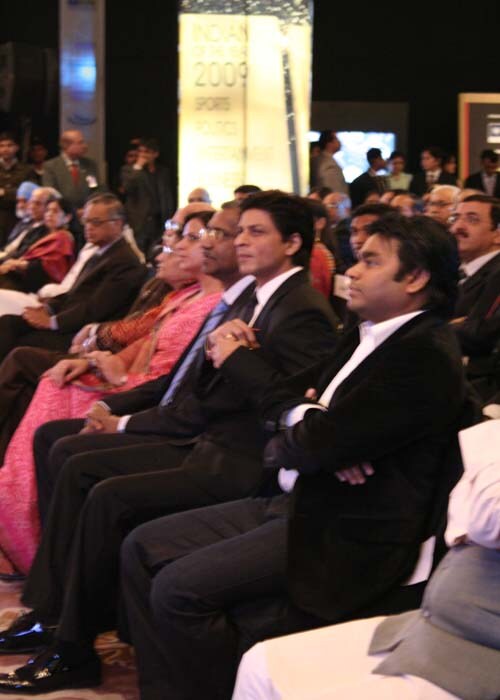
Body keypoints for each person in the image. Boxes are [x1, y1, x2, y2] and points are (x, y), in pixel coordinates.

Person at [111, 213, 467, 700]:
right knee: (141, 545)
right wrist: (313, 428)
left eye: (369, 261)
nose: (352, 272)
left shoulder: (423, 353)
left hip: (347, 526)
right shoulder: (367, 330)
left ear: (416, 277)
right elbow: (291, 409)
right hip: (300, 496)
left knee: (178, 589)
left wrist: (309, 434)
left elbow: (308, 435)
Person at [0, 192, 338, 696]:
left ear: (292, 243)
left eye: (253, 232)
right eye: (235, 232)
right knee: (73, 458)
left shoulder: (301, 309)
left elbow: (273, 405)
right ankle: (58, 622)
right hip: (210, 441)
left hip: (237, 460)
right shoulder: (256, 297)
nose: (240, 241)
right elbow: (193, 382)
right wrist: (120, 409)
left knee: (95, 480)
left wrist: (128, 420)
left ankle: (70, 641)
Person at [0, 210, 221, 576]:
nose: (178, 245)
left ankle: (30, 539)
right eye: (179, 235)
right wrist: (100, 358)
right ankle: (20, 529)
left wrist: (110, 369)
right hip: (131, 380)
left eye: (193, 237)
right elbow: (140, 340)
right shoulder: (186, 295)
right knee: (48, 377)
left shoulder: (213, 301)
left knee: (50, 389)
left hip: (151, 399)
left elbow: (168, 377)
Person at [232, 419, 500, 700]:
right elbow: (463, 520)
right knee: (260, 665)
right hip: (430, 625)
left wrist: (488, 444)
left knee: (188, 591)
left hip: (476, 651)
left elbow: (485, 519)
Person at [0, 193, 146, 362]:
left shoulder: (125, 261)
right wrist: (47, 309)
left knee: (17, 340)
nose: (88, 227)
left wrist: (52, 322)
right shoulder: (99, 252)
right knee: (7, 322)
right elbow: (73, 294)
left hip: (80, 334)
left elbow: (95, 309)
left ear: (118, 224)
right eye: (86, 221)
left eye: (96, 222)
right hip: (68, 321)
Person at [449, 194, 500, 401]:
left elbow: (479, 334)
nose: (458, 227)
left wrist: (435, 326)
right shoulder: (453, 268)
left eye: (472, 220)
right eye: (456, 218)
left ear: (497, 233)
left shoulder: (497, 272)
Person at [0, 197, 74, 296]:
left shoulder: (63, 238)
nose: (49, 214)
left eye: (55, 211)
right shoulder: (45, 234)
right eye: (47, 210)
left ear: (67, 217)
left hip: (37, 285)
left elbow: (47, 267)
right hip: (21, 276)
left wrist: (17, 264)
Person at [42, 130, 102, 246]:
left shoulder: (90, 165)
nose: (85, 146)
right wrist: (74, 211)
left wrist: (87, 209)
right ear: (66, 146)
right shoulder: (51, 166)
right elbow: (52, 194)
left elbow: (96, 189)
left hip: (87, 220)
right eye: (80, 143)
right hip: (64, 221)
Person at [121, 137, 174, 255]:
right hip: (139, 222)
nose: (143, 155)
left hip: (158, 221)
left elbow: (167, 196)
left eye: (147, 152)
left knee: (157, 253)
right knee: (138, 253)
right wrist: (138, 166)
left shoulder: (163, 172)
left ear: (155, 154)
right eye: (140, 151)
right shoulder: (130, 170)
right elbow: (128, 187)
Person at [0, 132, 30, 246]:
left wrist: (4, 192)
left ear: (16, 148)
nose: (5, 149)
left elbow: (28, 194)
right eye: (2, 146)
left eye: (9, 145)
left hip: (17, 219)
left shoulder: (27, 170)